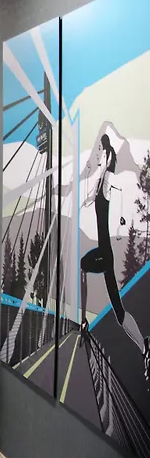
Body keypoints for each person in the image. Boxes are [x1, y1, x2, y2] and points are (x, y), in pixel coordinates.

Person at [80, 133, 150, 381]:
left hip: (105, 253)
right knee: (120, 313)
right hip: (104, 252)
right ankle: (144, 348)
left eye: (102, 151)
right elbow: (90, 196)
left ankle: (84, 320)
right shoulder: (100, 183)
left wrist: (106, 157)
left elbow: (108, 170)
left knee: (83, 265)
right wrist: (95, 176)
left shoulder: (107, 181)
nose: (99, 154)